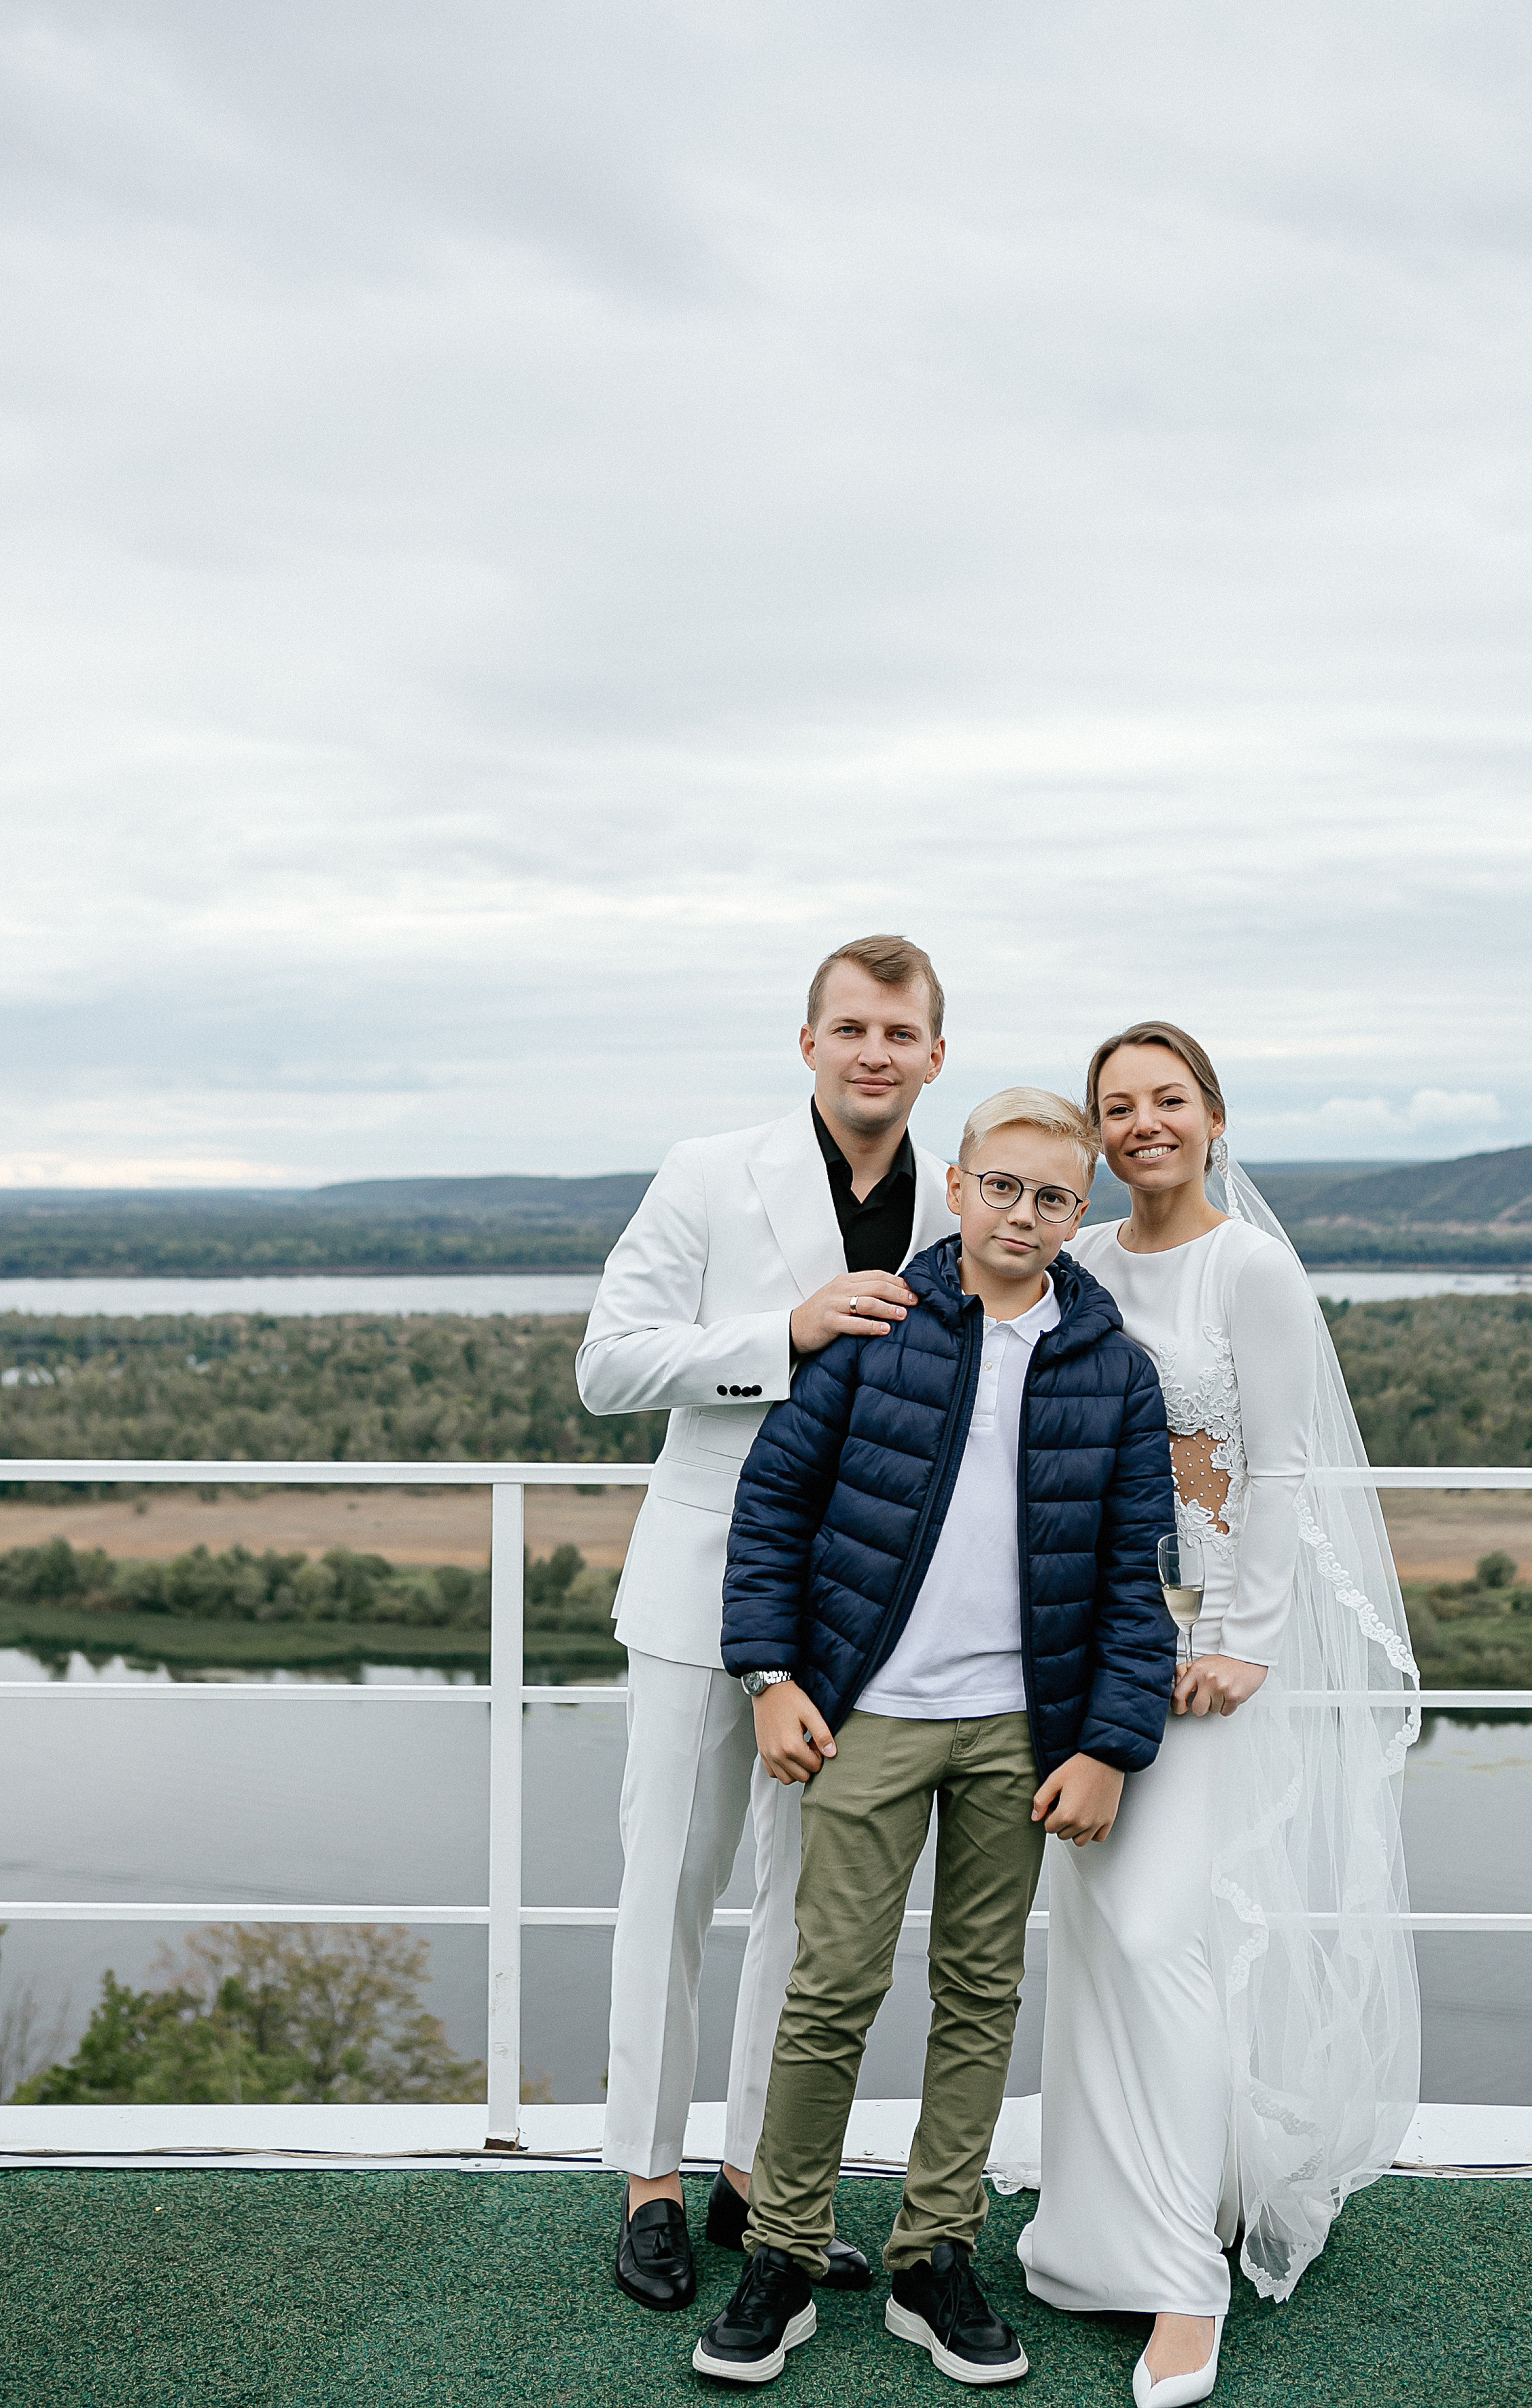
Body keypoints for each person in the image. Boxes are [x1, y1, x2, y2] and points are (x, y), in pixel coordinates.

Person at [695, 1088, 1176, 2388]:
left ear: (1087, 1210)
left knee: (979, 1995)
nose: (1025, 1215)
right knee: (832, 1988)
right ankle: (785, 2255)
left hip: (1026, 1733)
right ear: (958, 1186)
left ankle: (933, 2257)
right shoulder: (875, 1333)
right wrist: (770, 1675)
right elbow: (773, 1507)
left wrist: (1110, 1745)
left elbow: (1137, 1576)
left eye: (1055, 1196)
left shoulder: (1113, 1368)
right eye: (1003, 1187)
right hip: (871, 1720)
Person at [1015, 1022, 1421, 2408]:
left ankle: (1185, 2277)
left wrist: (1244, 1642)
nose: (1140, 1126)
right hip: (1080, 1650)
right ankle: (1090, 2236)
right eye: (1114, 1108)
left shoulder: (1248, 1267)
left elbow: (1288, 1467)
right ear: (1093, 1132)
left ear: (1210, 1115)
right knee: (1090, 1937)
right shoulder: (1080, 1263)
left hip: (1200, 1661)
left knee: (1158, 1934)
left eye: (1164, 1101)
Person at [575, 933, 955, 2312]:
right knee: (666, 1891)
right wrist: (777, 1332)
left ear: (931, 1055)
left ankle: (755, 2182)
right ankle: (650, 2186)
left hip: (855, 1615)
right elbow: (607, 1365)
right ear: (808, 1044)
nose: (873, 1053)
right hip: (694, 1598)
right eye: (849, 1028)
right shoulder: (705, 1172)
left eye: (898, 1033)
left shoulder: (953, 1202)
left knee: (804, 1917)